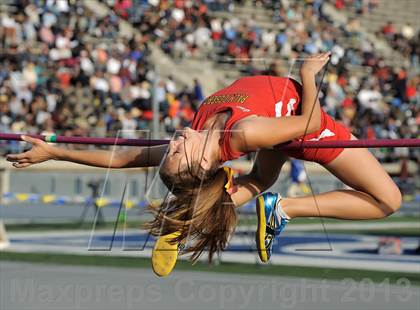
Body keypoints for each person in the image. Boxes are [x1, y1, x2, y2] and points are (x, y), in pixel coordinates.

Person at [6, 52, 402, 277]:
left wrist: (55, 151)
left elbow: (122, 156)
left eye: (173, 147)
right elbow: (312, 123)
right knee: (388, 201)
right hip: (308, 130)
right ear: (199, 164)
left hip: (279, 128)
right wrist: (308, 75)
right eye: (178, 151)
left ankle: (190, 220)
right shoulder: (241, 135)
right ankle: (286, 208)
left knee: (261, 177)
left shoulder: (199, 132)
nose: (175, 141)